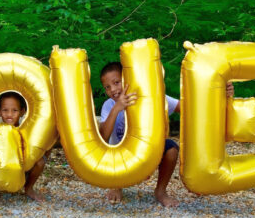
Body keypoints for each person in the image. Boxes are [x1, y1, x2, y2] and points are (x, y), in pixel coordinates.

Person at [98, 61, 234, 207]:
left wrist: (220, 93)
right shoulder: (109, 105)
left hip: (148, 155)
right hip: (121, 158)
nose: (113, 89)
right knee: (113, 148)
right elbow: (103, 137)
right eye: (107, 87)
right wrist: (117, 109)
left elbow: (189, 107)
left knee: (171, 148)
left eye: (116, 82)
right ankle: (116, 185)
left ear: (128, 79)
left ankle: (161, 191)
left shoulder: (152, 98)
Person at [0, 92, 49, 202]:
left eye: (14, 110)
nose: (9, 114)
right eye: (5, 110)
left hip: (25, 166)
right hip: (0, 167)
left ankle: (29, 188)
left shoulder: (26, 128)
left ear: (22, 112)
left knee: (40, 162)